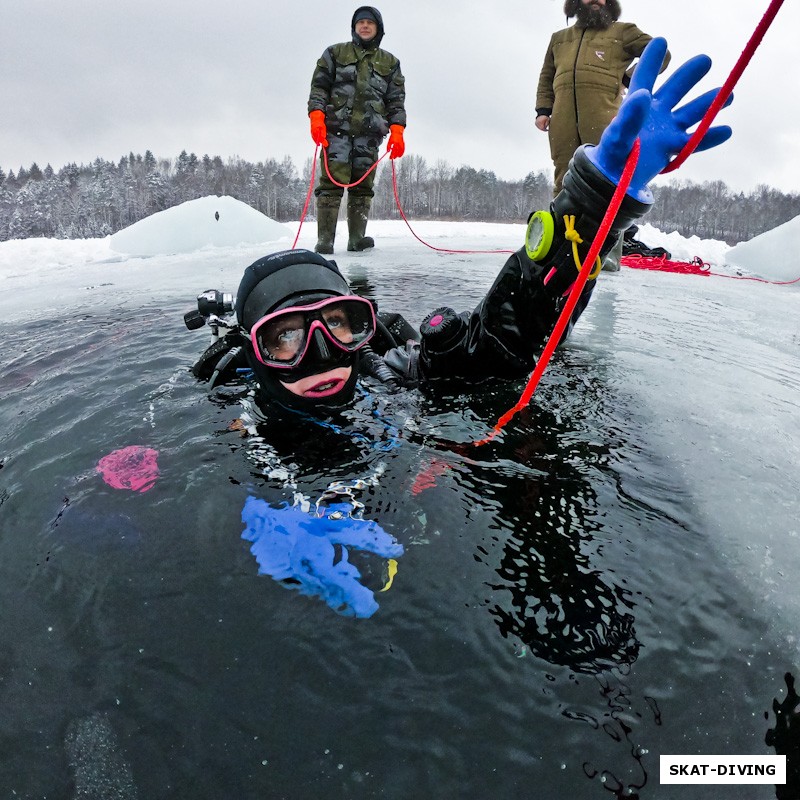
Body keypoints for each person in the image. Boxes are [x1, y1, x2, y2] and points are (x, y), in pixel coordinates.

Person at [193, 38, 730, 419]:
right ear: (252, 349)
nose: (324, 352)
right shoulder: (216, 422)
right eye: (284, 337)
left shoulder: (386, 376)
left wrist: (595, 197)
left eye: (340, 323)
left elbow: (498, 343)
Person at [535, 1, 670, 270]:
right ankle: (557, 246)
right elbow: (546, 76)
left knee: (607, 183)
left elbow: (660, 54)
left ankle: (605, 256)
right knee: (564, 178)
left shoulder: (622, 32)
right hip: (562, 120)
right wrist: (543, 109)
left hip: (605, 119)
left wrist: (629, 80)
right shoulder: (558, 39)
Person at [307, 6, 406, 255]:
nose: (364, 26)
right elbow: (319, 87)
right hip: (337, 132)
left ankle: (356, 239)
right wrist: (316, 115)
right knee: (331, 183)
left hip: (369, 136)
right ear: (354, 27)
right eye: (360, 22)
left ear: (378, 29)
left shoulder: (390, 63)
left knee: (362, 188)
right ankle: (325, 241)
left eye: (369, 23)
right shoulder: (334, 53)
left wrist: (397, 131)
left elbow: (395, 100)